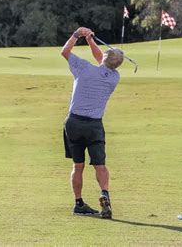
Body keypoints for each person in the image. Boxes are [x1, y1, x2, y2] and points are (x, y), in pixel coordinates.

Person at [61, 27, 124, 219]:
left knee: (77, 166)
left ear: (104, 58)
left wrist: (76, 35)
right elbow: (103, 61)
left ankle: (79, 203)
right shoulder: (114, 77)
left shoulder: (84, 68)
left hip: (74, 123)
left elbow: (65, 52)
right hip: (94, 126)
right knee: (100, 166)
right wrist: (90, 40)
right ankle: (104, 193)